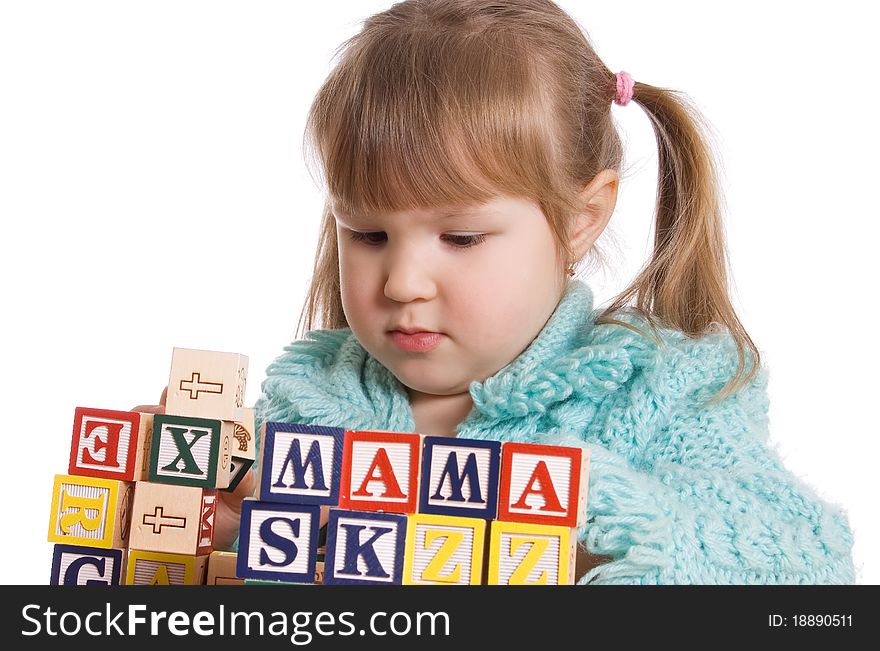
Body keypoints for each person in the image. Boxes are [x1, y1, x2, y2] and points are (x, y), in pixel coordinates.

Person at [142, 0, 857, 583]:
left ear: (581, 220)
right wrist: (203, 528)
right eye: (366, 234)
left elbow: (804, 565)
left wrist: (567, 524)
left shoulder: (663, 389)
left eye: (460, 238)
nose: (402, 281)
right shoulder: (310, 401)